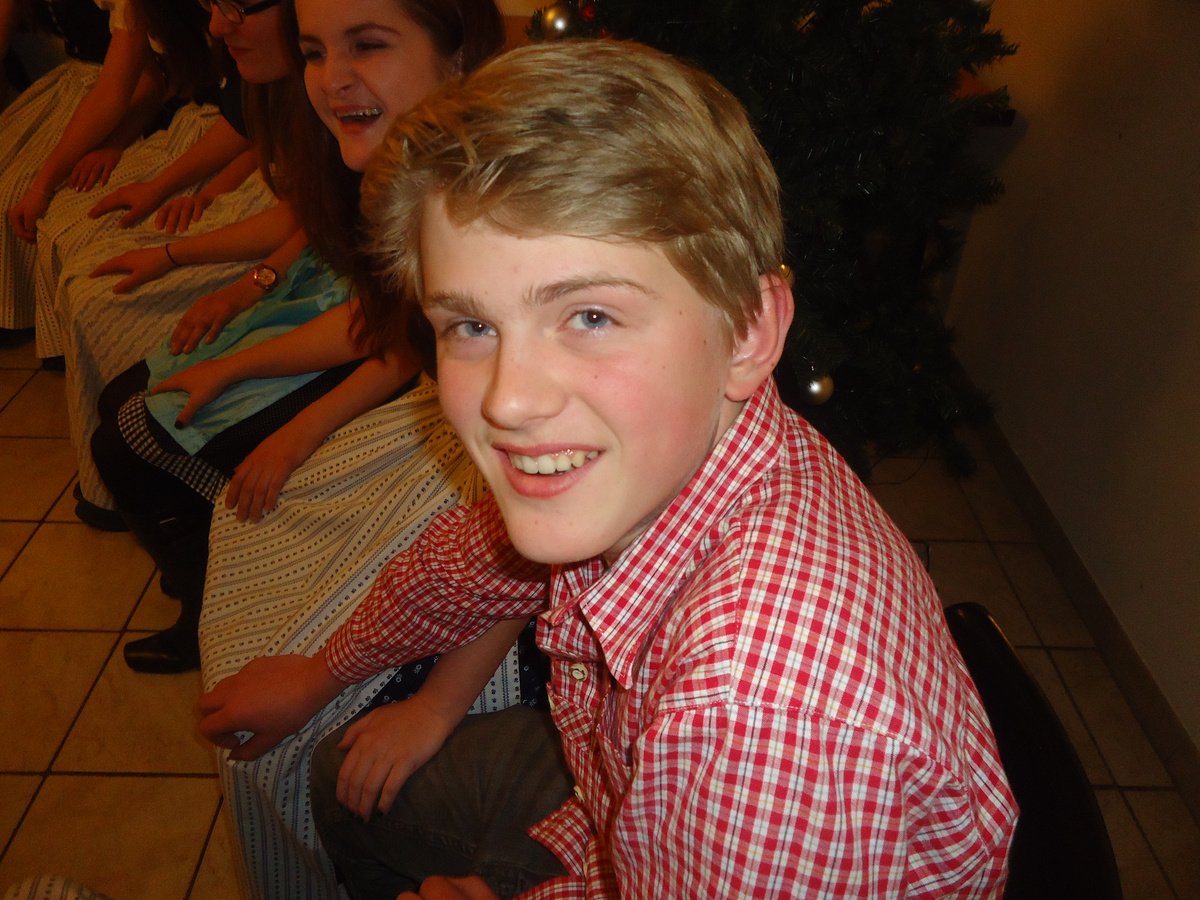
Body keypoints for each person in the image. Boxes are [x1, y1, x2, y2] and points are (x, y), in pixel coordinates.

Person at [197, 39, 1019, 897]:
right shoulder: (678, 454)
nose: (509, 400)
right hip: (613, 805)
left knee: (344, 799)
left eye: (590, 315)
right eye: (471, 327)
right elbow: (473, 563)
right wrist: (324, 672)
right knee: (340, 773)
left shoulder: (751, 724)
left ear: (749, 330)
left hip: (675, 818)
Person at [91, 0, 506, 677]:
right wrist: (230, 300)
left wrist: (291, 424)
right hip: (395, 367)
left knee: (147, 442)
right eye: (314, 53)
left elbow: (396, 344)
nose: (332, 78)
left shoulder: (476, 205)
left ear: (457, 55)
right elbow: (377, 307)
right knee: (133, 412)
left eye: (367, 45)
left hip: (455, 447)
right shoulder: (384, 169)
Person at [49, 0, 294, 528]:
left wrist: (238, 285)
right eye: (211, 7)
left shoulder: (342, 101)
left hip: (298, 265)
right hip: (282, 238)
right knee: (90, 284)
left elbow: (309, 229)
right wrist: (174, 215)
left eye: (235, 6)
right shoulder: (278, 82)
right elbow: (260, 144)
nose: (216, 26)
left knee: (104, 317)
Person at [0, 0, 216, 342]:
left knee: (69, 227)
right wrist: (44, 185)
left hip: (201, 127)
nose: (220, 25)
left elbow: (241, 121)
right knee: (36, 205)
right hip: (170, 114)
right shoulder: (141, 11)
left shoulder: (232, 25)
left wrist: (155, 182)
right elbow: (158, 76)